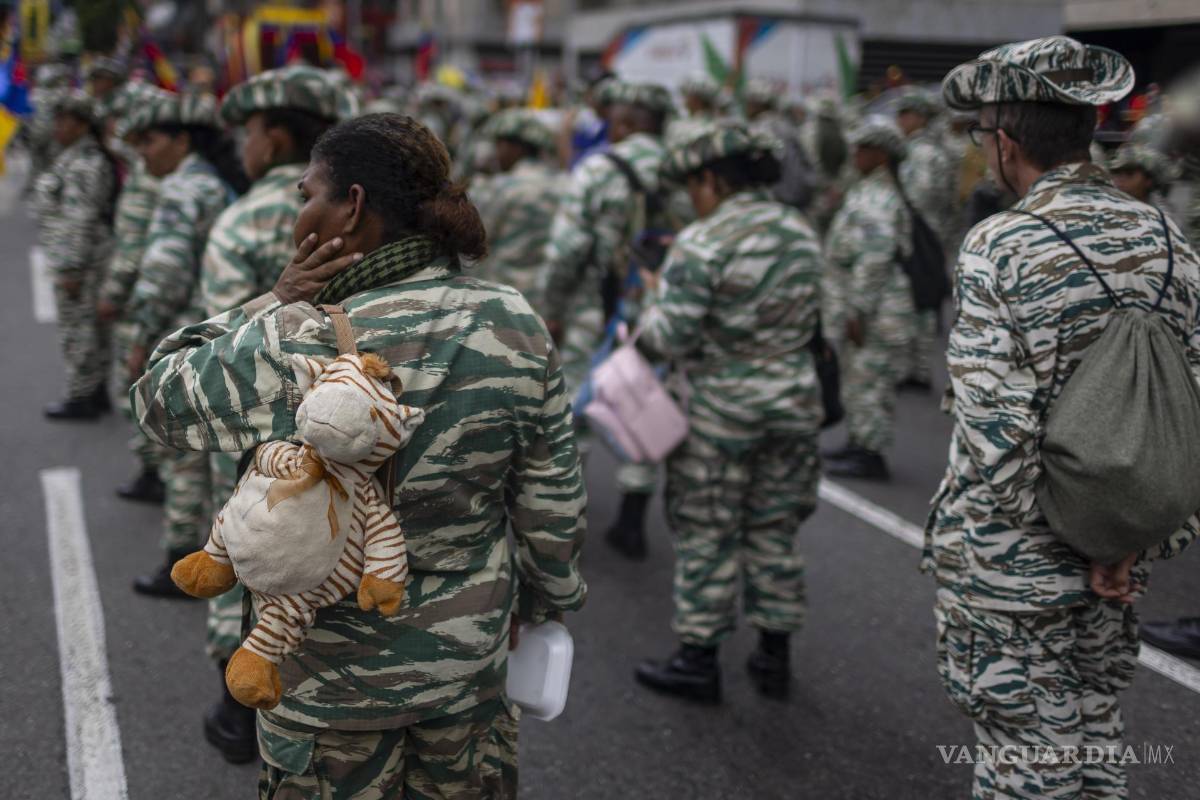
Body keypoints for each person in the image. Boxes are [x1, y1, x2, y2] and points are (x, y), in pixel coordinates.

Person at [131, 113, 586, 798]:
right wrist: (547, 602)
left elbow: (156, 402)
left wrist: (272, 301)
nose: (298, 211)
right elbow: (551, 498)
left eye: (308, 194)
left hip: (330, 686)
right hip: (467, 671)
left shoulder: (304, 335)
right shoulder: (512, 318)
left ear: (352, 205)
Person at [927, 36, 1200, 798]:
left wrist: (1068, 539)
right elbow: (1185, 410)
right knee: (1093, 740)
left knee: (1024, 762)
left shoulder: (1000, 246)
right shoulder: (1166, 239)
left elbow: (993, 425)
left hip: (1018, 565)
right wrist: (1124, 538)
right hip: (1115, 554)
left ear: (1005, 143)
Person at [197, 64, 358, 765]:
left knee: (242, 555)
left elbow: (226, 346)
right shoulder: (364, 215)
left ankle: (237, 711)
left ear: (278, 135)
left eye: (251, 132)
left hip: (257, 432)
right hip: (346, 421)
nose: (244, 145)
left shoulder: (239, 222)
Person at [631, 121, 823, 703]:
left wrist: (649, 300)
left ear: (712, 179)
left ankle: (699, 659)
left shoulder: (705, 240)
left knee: (708, 533)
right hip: (793, 405)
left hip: (721, 414)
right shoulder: (802, 233)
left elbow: (669, 337)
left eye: (694, 184)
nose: (692, 196)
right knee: (774, 529)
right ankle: (774, 655)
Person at [541, 80, 676, 560]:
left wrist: (552, 308)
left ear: (624, 123)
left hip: (594, 306)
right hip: (659, 306)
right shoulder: (683, 167)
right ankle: (633, 515)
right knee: (640, 397)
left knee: (574, 406)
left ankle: (565, 516)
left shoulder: (600, 168)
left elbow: (567, 249)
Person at [122, 92, 244, 598]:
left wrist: (141, 334)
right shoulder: (220, 184)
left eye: (150, 140)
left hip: (185, 337)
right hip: (222, 335)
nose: (144, 152)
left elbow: (165, 272)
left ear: (181, 140)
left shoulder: (183, 189)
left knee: (182, 456)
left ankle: (180, 561)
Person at [822, 119, 914, 480]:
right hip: (864, 303)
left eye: (862, 148)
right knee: (858, 380)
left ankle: (871, 455)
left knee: (871, 381)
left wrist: (857, 311)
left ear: (880, 155)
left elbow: (874, 259)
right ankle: (859, 442)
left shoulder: (879, 198)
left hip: (876, 308)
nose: (854, 154)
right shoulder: (868, 190)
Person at [97, 82, 170, 503]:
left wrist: (114, 292)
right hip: (154, 290)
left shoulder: (150, 177)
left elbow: (134, 248)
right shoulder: (157, 167)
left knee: (140, 381)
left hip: (147, 294)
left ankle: (154, 470)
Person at [34, 91, 119, 419]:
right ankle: (94, 391)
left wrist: (71, 267)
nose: (57, 126)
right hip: (85, 256)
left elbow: (79, 218)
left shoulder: (85, 163)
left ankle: (83, 396)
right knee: (89, 329)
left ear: (83, 125)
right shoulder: (73, 156)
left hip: (83, 259)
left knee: (79, 329)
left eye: (64, 120)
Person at [470, 108, 563, 315]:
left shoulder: (503, 187)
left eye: (500, 145)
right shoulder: (564, 183)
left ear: (515, 148)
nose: (496, 153)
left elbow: (475, 240)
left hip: (502, 297)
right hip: (545, 298)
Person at [895, 88, 956, 393]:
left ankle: (917, 368)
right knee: (921, 300)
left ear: (918, 117)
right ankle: (914, 366)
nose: (899, 120)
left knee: (919, 301)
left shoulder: (922, 153)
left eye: (904, 114)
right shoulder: (934, 149)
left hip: (921, 233)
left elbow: (921, 197)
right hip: (932, 232)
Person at [1107, 144, 1177, 205]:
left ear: (1148, 181)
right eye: (1117, 173)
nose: (1120, 179)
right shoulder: (1108, 203)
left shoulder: (1159, 216)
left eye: (1129, 174)